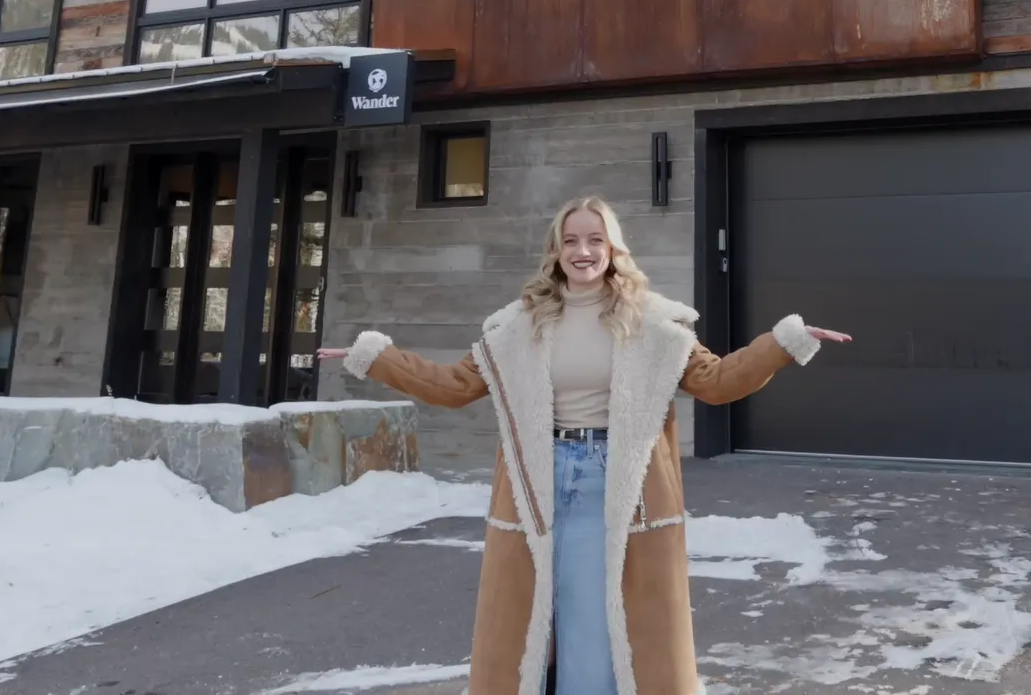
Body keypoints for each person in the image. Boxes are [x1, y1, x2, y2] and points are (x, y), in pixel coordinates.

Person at [318, 194, 849, 695]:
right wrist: (377, 357)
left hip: (613, 478)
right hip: (537, 479)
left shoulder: (653, 322)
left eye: (595, 239)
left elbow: (717, 381)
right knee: (532, 615)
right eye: (570, 240)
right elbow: (453, 386)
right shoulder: (518, 324)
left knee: (595, 616)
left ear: (613, 249)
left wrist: (783, 344)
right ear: (555, 250)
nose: (583, 251)